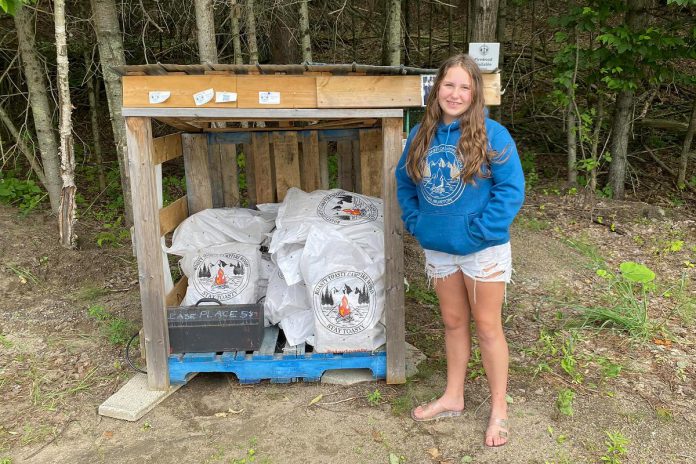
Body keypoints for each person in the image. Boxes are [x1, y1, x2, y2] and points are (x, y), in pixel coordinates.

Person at [395, 54, 525, 447]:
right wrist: (419, 224)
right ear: (437, 89)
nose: (455, 93)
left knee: (487, 326)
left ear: (475, 93)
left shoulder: (493, 134)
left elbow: (510, 191)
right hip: (440, 249)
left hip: (482, 249)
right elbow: (404, 184)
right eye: (448, 85)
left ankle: (498, 409)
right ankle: (453, 397)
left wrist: (480, 229)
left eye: (464, 87)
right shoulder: (420, 134)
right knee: (453, 323)